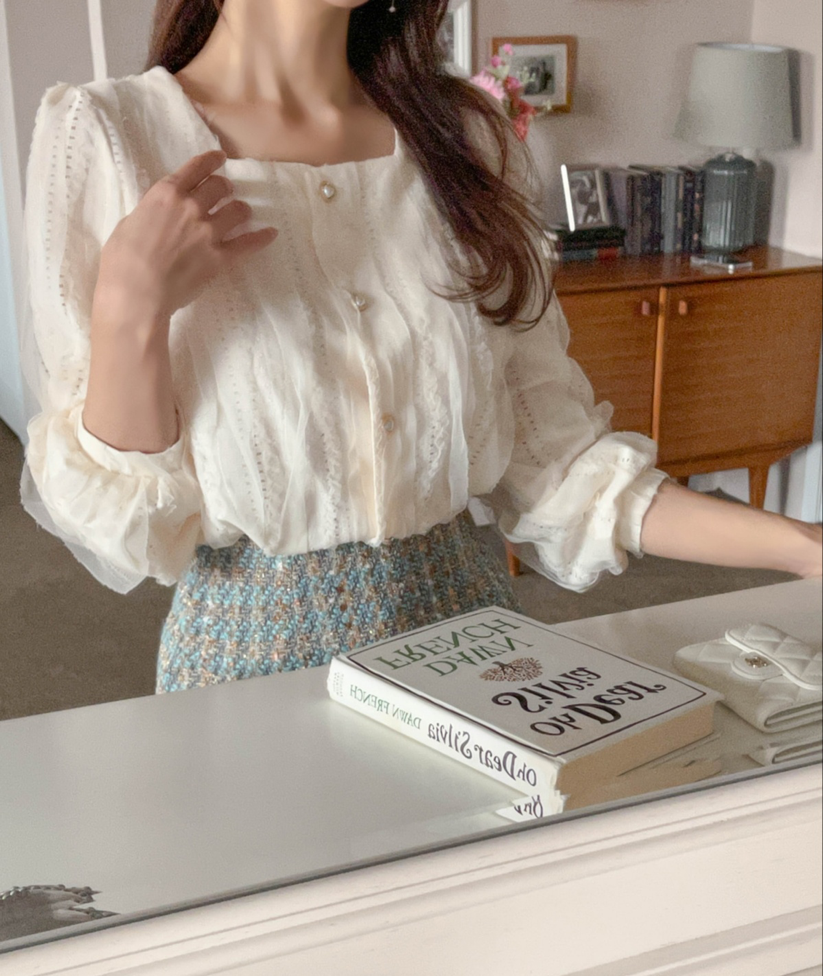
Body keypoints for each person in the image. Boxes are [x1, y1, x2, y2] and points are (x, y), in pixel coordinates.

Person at [19, 0, 821, 695]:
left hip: (475, 651)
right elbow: (121, 519)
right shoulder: (111, 136)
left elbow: (558, 462)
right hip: (246, 673)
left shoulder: (464, 137)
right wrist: (129, 310)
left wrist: (798, 545)